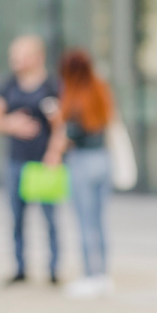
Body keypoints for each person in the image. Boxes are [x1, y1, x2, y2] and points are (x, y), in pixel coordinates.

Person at [0, 35, 61, 285]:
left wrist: (54, 153)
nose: (16, 62)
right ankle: (20, 268)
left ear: (38, 57)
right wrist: (11, 124)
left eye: (22, 56)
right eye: (13, 56)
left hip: (44, 165)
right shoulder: (7, 85)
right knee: (17, 219)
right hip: (16, 163)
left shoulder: (52, 86)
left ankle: (53, 270)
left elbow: (61, 124)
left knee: (50, 219)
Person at [44, 49, 116, 299]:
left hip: (83, 163)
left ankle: (89, 276)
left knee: (85, 222)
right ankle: (103, 275)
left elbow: (72, 134)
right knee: (99, 221)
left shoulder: (74, 96)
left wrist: (57, 123)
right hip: (103, 160)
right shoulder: (100, 89)